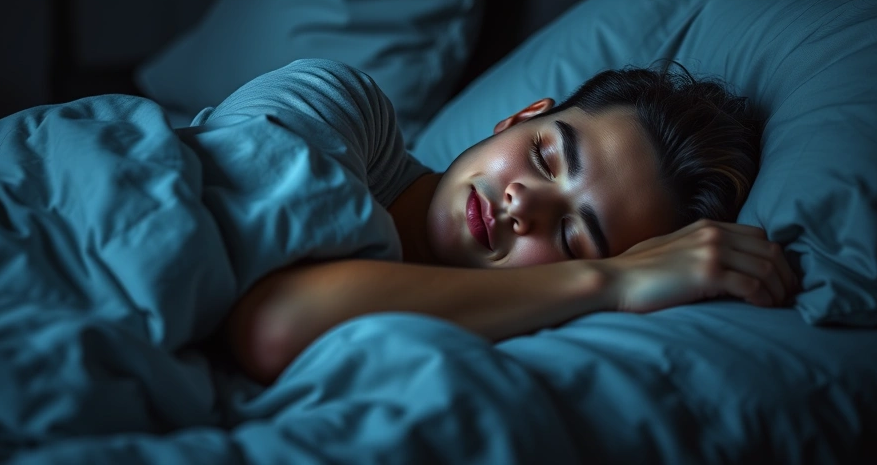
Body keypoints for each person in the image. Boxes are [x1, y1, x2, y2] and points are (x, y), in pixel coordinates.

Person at [217, 60, 799, 384]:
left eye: (572, 235)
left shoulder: (504, 335)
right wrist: (612, 280)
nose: (523, 204)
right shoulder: (340, 106)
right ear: (522, 116)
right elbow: (275, 323)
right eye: (546, 157)